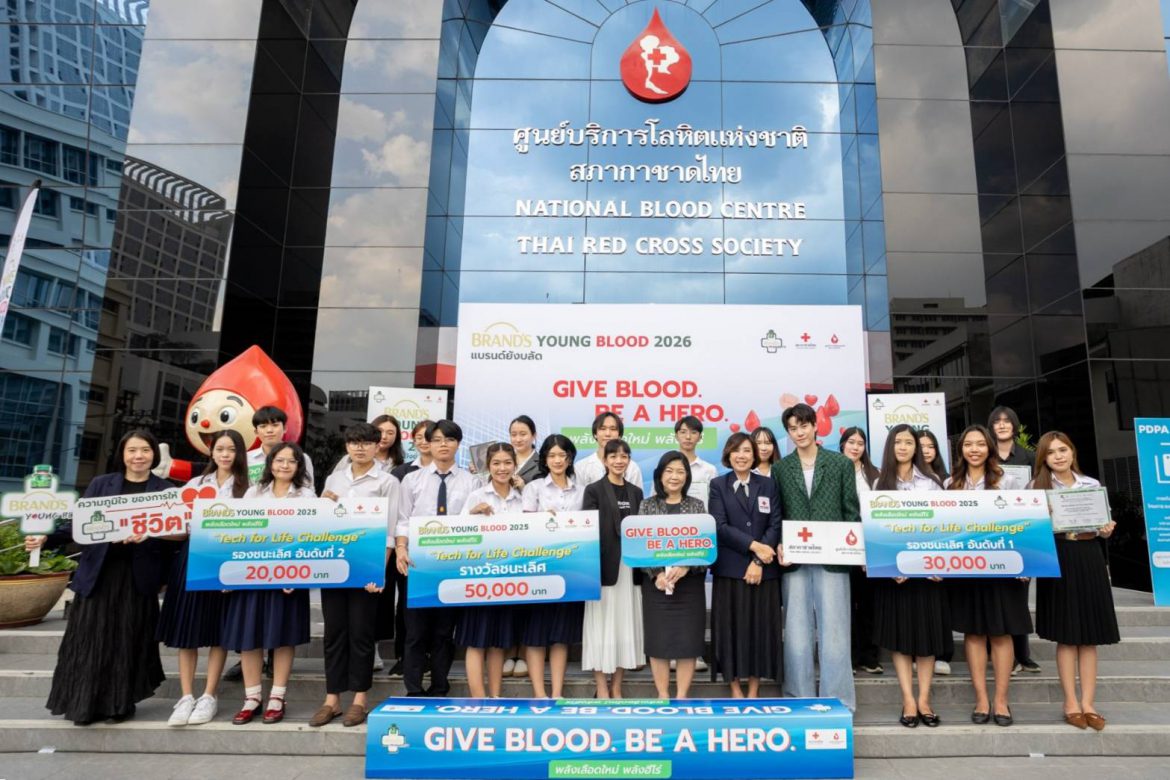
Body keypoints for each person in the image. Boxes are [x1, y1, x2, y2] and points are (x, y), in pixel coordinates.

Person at [27, 429, 174, 725]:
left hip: (137, 578)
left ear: (153, 456)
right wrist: (47, 538)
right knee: (89, 639)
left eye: (145, 450)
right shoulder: (101, 484)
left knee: (128, 640)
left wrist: (149, 536)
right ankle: (83, 704)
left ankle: (120, 705)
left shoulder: (166, 490)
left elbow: (175, 536)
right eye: (132, 450)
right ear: (122, 454)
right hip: (99, 574)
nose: (138, 456)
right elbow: (77, 525)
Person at [311, 423, 400, 727]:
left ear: (378, 446)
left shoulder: (387, 482)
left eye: (365, 443)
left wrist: (379, 571)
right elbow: (324, 522)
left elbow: (390, 530)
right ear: (347, 446)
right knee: (334, 633)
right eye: (353, 443)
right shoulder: (335, 478)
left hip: (366, 569)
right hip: (334, 566)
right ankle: (332, 699)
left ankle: (360, 699)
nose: (359, 448)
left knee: (361, 633)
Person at [158, 429, 248, 727]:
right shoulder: (194, 485)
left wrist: (233, 574)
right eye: (220, 448)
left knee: (217, 630)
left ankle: (209, 695)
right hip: (192, 558)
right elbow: (180, 528)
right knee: (188, 628)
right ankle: (185, 696)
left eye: (231, 449)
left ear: (239, 454)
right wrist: (149, 530)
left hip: (228, 563)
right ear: (211, 452)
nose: (225, 454)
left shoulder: (248, 489)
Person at [1030, 432, 1119, 731]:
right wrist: (1044, 516)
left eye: (1063, 449)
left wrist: (1106, 529)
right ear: (1043, 458)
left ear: (1072, 452)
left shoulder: (1091, 485)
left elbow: (1102, 528)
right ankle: (1070, 702)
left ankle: (1089, 703)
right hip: (1059, 556)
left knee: (1089, 635)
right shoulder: (1037, 488)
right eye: (1051, 452)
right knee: (1067, 635)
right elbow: (1031, 532)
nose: (1058, 456)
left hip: (1089, 555)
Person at [222, 442, 315, 725]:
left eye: (291, 461)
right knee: (250, 638)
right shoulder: (254, 492)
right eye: (279, 460)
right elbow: (240, 533)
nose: (284, 466)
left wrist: (296, 574)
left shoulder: (307, 496)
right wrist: (230, 574)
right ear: (270, 463)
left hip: (289, 580)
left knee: (283, 637)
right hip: (253, 577)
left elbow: (312, 539)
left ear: (299, 467)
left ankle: (277, 696)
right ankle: (252, 698)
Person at [774, 403, 858, 711]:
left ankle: (839, 701)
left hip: (834, 558)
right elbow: (778, 514)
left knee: (835, 630)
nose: (799, 433)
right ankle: (798, 697)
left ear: (815, 427)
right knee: (796, 630)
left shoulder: (839, 465)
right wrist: (781, 544)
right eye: (793, 428)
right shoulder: (781, 468)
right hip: (795, 559)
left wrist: (854, 548)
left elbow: (851, 511)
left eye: (804, 426)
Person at [946, 424, 1030, 727]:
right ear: (961, 450)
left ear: (989, 448)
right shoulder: (950, 484)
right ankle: (981, 698)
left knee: (1001, 632)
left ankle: (1001, 700)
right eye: (968, 444)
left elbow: (1025, 523)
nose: (974, 449)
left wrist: (1026, 563)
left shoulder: (1008, 481)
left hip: (1003, 567)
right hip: (967, 571)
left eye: (980, 444)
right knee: (974, 632)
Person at [871, 425, 948, 728]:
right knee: (901, 641)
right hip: (897, 578)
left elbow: (945, 529)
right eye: (897, 442)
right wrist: (891, 567)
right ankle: (908, 700)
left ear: (917, 447)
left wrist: (939, 565)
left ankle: (925, 699)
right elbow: (877, 531)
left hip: (928, 576)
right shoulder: (880, 483)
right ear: (890, 446)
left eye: (908, 442)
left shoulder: (932, 483)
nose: (902, 447)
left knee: (927, 641)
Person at [394, 420, 478, 697]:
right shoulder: (412, 479)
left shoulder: (471, 481)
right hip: (417, 563)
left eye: (450, 439)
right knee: (416, 632)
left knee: (444, 631)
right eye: (438, 439)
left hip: (453, 565)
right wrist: (401, 548)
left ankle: (440, 686)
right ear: (427, 444)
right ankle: (414, 689)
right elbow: (403, 519)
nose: (444, 444)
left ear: (458, 444)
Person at [709, 433, 782, 698]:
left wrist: (758, 560)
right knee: (732, 631)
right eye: (736, 451)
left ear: (755, 456)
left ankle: (754, 689)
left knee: (759, 630)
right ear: (728, 455)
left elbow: (775, 523)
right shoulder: (718, 485)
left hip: (764, 571)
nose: (741, 455)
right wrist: (755, 547)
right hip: (729, 570)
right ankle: (735, 688)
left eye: (747, 451)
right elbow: (719, 526)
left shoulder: (768, 485)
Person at [457, 442, 525, 697]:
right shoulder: (477, 496)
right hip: (479, 578)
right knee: (476, 641)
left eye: (508, 463)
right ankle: (478, 698)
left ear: (515, 466)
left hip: (510, 579)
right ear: (488, 466)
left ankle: (495, 696)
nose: (502, 468)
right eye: (496, 463)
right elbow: (458, 534)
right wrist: (473, 514)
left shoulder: (522, 496)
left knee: (498, 642)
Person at [638, 452, 708, 699]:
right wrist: (656, 574)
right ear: (659, 475)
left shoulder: (697, 506)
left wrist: (688, 566)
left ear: (687, 476)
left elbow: (705, 547)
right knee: (659, 640)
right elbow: (641, 548)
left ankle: (681, 696)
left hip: (689, 585)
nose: (674, 476)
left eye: (680, 471)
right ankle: (662, 695)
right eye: (669, 471)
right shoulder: (647, 506)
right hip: (656, 585)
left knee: (687, 641)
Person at [520, 434, 586, 698]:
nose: (558, 460)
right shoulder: (534, 488)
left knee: (561, 635)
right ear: (544, 459)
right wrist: (541, 521)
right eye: (552, 455)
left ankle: (557, 692)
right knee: (536, 635)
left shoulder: (581, 490)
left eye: (563, 455)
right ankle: (539, 693)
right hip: (538, 569)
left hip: (570, 570)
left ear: (570, 458)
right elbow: (523, 527)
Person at [581, 438, 645, 698]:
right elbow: (589, 530)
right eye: (614, 456)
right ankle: (601, 688)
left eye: (624, 456)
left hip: (630, 569)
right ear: (605, 460)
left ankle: (616, 687)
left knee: (624, 627)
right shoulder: (594, 490)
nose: (619, 461)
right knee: (601, 628)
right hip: (603, 570)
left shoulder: (637, 493)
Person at [988, 406, 1042, 675]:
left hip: (1022, 531)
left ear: (1014, 425)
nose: (1001, 425)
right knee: (993, 594)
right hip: (989, 532)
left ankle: (1023, 654)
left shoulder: (1030, 457)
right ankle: (995, 652)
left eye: (1007, 421)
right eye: (996, 422)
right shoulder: (985, 455)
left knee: (1018, 596)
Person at [385, 419, 434, 678]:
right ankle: (404, 657)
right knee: (405, 606)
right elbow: (397, 515)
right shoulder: (402, 472)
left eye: (431, 436)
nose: (425, 441)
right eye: (420, 436)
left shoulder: (456, 474)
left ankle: (429, 656)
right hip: (408, 552)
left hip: (440, 553)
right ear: (413, 440)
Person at [673, 415, 716, 674]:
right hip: (669, 539)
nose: (688, 436)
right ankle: (672, 651)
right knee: (671, 598)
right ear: (676, 435)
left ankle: (695, 652)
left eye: (693, 432)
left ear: (700, 437)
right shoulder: (668, 464)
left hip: (699, 540)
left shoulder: (708, 470)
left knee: (694, 600)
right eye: (683, 431)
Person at [839, 426, 882, 676]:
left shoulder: (874, 475)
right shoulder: (832, 470)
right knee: (844, 605)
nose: (855, 447)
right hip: (840, 547)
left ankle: (870, 656)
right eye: (851, 442)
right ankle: (850, 658)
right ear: (842, 444)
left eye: (860, 443)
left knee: (868, 605)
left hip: (867, 547)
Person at [916, 427, 954, 676]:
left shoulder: (948, 480)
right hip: (912, 550)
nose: (926, 451)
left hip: (940, 551)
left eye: (930, 446)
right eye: (921, 446)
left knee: (941, 604)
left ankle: (943, 653)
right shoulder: (902, 479)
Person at [246, 405, 315, 485]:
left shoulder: (301, 458)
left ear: (285, 428)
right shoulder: (246, 459)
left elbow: (308, 489)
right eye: (263, 426)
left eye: (275, 425)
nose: (269, 430)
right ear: (256, 432)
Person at [575, 411, 644, 488]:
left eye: (613, 429)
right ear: (595, 434)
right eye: (603, 428)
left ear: (619, 435)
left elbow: (637, 497)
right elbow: (578, 498)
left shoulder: (632, 468)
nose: (607, 433)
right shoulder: (581, 467)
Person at [511, 415, 541, 487]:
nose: (518, 439)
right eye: (514, 435)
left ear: (534, 435)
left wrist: (524, 488)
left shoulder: (542, 464)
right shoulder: (504, 459)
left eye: (523, 434)